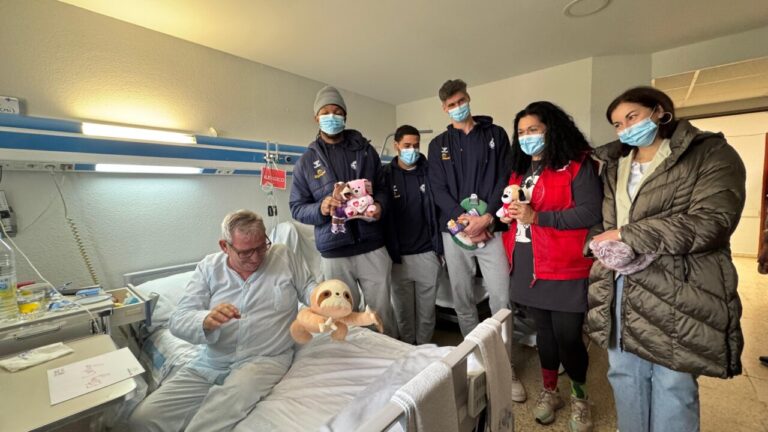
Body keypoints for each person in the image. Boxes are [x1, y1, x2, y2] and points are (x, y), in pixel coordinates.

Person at [586, 86, 746, 432]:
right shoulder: (615, 165)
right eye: (617, 124)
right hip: (621, 283)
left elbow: (713, 222)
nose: (625, 128)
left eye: (632, 117)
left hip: (679, 282)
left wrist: (628, 235)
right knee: (624, 374)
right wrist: (597, 243)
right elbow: (605, 221)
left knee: (674, 383)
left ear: (659, 112)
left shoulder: (709, 153)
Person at [128, 210, 314, 432]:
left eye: (261, 246)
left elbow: (309, 288)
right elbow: (178, 320)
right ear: (225, 246)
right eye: (246, 252)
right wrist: (205, 319)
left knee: (210, 420)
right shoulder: (209, 268)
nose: (256, 258)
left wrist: (324, 297)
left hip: (265, 359)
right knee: (143, 419)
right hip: (211, 361)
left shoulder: (282, 256)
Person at [501, 102, 601, 431]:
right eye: (522, 132)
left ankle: (580, 397)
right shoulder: (519, 170)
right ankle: (550, 391)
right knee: (543, 331)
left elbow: (589, 213)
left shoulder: (577, 165)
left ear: (551, 129)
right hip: (527, 261)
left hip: (565, 262)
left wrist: (539, 217)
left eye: (534, 130)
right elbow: (516, 211)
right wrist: (508, 217)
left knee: (568, 336)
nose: (527, 137)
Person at [427, 79, 525, 401]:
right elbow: (439, 190)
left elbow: (504, 178)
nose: (458, 107)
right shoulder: (438, 144)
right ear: (444, 108)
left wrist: (488, 218)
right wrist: (463, 220)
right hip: (454, 231)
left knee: (501, 299)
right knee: (463, 299)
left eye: (461, 100)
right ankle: (476, 358)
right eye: (451, 104)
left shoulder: (495, 135)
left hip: (491, 228)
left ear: (469, 99)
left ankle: (504, 364)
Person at [290, 85, 396, 337]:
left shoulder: (365, 151)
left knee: (382, 310)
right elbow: (296, 207)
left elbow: (383, 188)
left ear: (345, 116)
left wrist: (379, 206)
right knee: (344, 314)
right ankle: (356, 362)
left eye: (337, 111)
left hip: (371, 245)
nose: (332, 116)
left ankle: (392, 355)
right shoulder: (306, 162)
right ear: (316, 117)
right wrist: (321, 208)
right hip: (335, 251)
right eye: (326, 112)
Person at [382, 125, 442, 345]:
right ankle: (408, 350)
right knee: (403, 313)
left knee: (427, 312)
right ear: (396, 146)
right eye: (407, 145)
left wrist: (439, 251)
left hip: (427, 252)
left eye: (416, 145)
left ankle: (425, 350)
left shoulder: (430, 171)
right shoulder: (385, 176)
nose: (412, 150)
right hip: (398, 257)